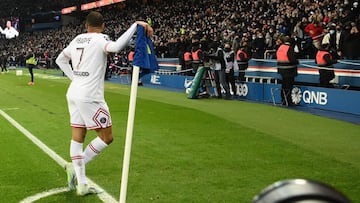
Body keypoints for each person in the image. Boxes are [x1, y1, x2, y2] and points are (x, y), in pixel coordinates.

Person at [55, 11, 153, 196]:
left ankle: (81, 183)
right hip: (90, 96)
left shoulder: (77, 39)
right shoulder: (100, 39)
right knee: (107, 137)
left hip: (74, 92)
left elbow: (60, 60)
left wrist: (74, 78)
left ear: (86, 26)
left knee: (78, 135)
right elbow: (115, 47)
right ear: (103, 26)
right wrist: (134, 26)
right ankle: (76, 168)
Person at [276, 36, 298, 106]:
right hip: (289, 70)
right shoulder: (289, 48)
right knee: (288, 86)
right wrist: (297, 61)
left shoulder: (280, 47)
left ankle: (283, 100)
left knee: (284, 85)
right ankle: (288, 101)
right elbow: (292, 59)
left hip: (281, 69)